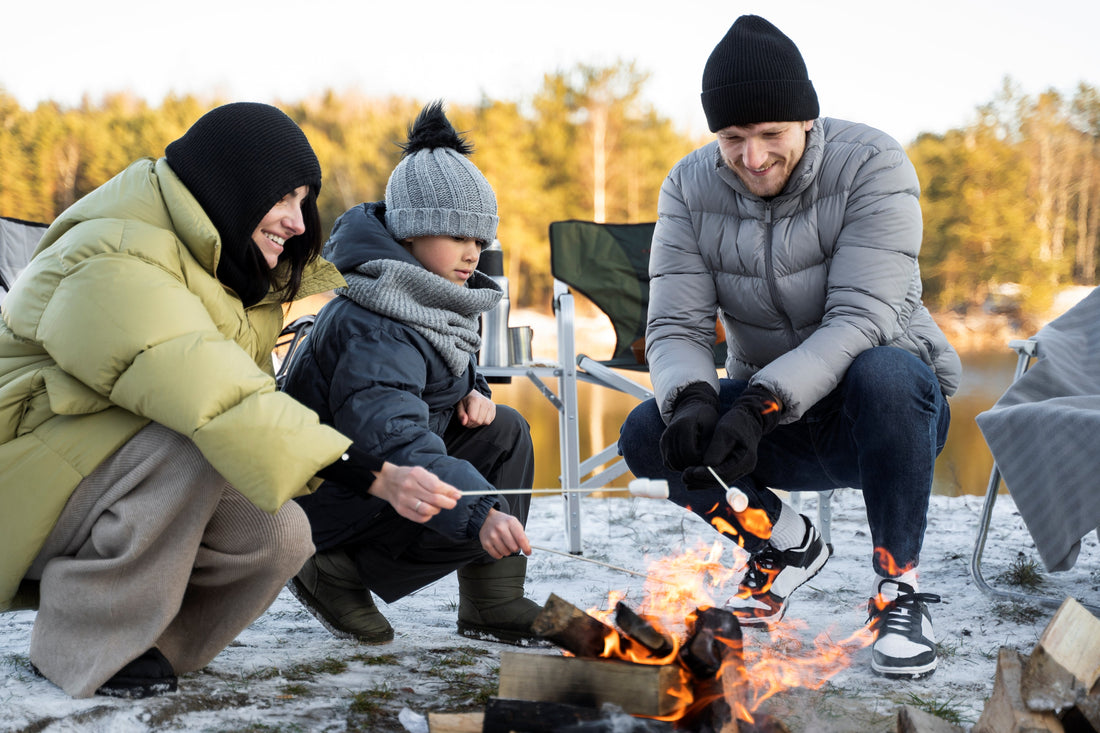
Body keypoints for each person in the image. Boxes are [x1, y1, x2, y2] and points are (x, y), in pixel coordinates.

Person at [0, 102, 459, 699]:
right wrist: (368, 473)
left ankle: (155, 648)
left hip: (95, 478)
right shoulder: (112, 255)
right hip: (22, 484)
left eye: (305, 201)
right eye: (284, 199)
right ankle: (87, 646)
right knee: (195, 443)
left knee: (280, 535)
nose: (298, 222)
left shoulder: (222, 271)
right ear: (229, 186)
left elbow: (237, 403)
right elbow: (215, 398)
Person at [618, 15, 961, 680]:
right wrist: (691, 398)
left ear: (807, 120)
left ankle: (897, 588)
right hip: (775, 419)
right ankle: (778, 540)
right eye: (732, 138)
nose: (751, 158)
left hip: (886, 414)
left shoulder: (874, 164)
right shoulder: (689, 187)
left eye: (770, 134)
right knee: (647, 429)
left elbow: (862, 317)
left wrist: (760, 404)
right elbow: (676, 326)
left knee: (887, 373)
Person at [280, 101, 542, 646]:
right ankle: (328, 567)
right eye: (456, 236)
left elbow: (436, 372)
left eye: (479, 240)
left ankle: (494, 602)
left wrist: (476, 390)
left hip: (379, 477)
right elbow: (393, 437)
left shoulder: (428, 293)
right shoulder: (374, 316)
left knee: (506, 430)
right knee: (470, 497)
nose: (472, 254)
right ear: (409, 232)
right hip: (328, 494)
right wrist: (481, 515)